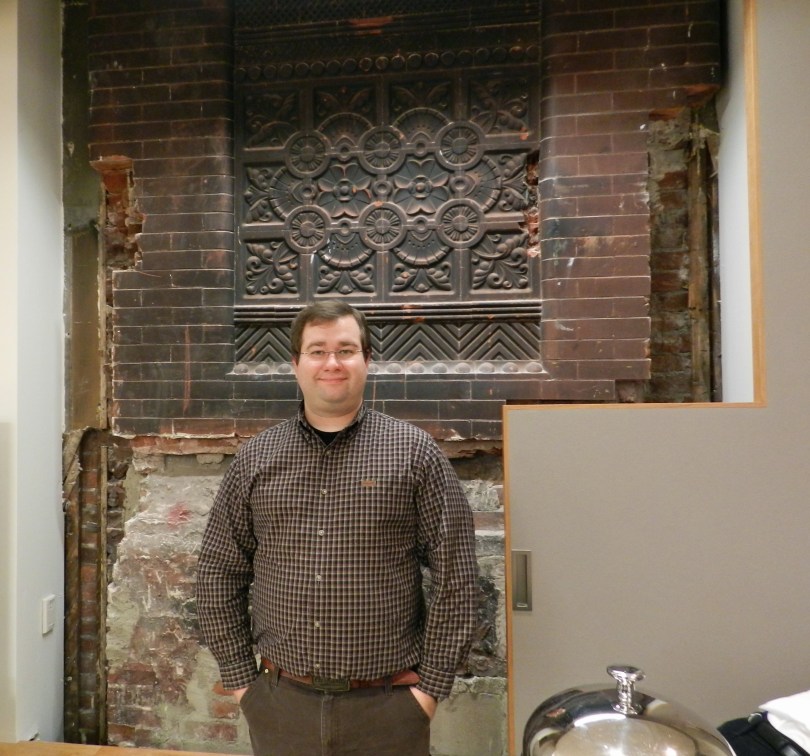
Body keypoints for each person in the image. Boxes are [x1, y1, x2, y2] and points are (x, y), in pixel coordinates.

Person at [196, 300, 479, 756]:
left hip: (389, 710)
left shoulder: (414, 454)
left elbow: (457, 575)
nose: (332, 363)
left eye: (346, 350)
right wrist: (242, 684)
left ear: (367, 360)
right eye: (317, 351)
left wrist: (428, 692)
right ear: (296, 364)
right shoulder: (256, 459)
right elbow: (218, 572)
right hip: (280, 705)